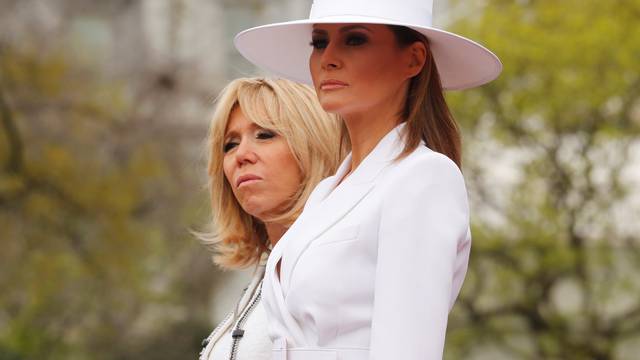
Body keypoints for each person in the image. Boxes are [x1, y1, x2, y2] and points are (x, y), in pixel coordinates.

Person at [233, 0, 503, 359]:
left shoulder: (423, 177)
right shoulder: (326, 193)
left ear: (414, 59)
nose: (327, 58)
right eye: (319, 42)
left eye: (355, 40)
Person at [198, 77, 344, 360]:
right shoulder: (264, 276)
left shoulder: (341, 265)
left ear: (315, 145)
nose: (241, 155)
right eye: (229, 144)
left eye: (265, 135)